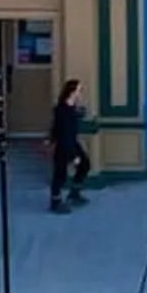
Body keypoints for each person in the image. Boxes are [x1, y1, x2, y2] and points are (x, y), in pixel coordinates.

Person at [47, 78, 92, 213]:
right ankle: (55, 202)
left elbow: (71, 118)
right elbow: (63, 130)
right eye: (78, 90)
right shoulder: (62, 109)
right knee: (60, 174)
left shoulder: (71, 107)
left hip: (71, 141)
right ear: (71, 92)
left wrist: (79, 113)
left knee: (85, 164)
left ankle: (74, 193)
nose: (80, 93)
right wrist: (73, 155)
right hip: (64, 144)